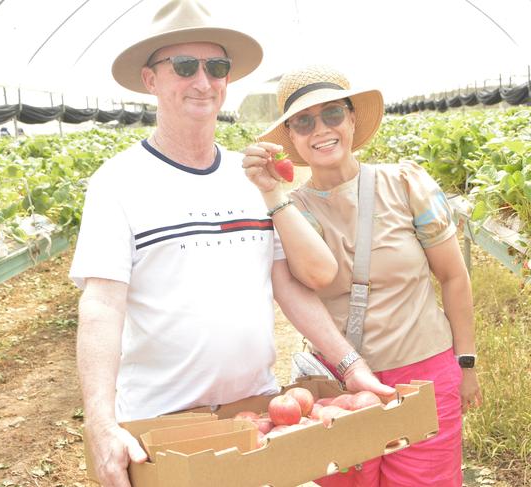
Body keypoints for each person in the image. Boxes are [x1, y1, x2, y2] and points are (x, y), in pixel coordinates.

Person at [69, 2, 394, 486]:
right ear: (150, 79)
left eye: (216, 67)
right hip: (164, 424)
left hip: (258, 413)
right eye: (184, 66)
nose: (203, 81)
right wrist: (99, 421)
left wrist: (349, 366)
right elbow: (101, 305)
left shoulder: (251, 179)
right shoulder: (117, 181)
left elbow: (287, 285)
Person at [242, 65, 483, 487]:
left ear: (353, 119)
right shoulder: (291, 210)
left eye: (333, 114)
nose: (321, 129)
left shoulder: (406, 185)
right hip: (340, 391)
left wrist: (466, 364)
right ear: (293, 138)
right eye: (304, 121)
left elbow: (453, 277)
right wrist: (271, 194)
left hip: (424, 376)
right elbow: (319, 274)